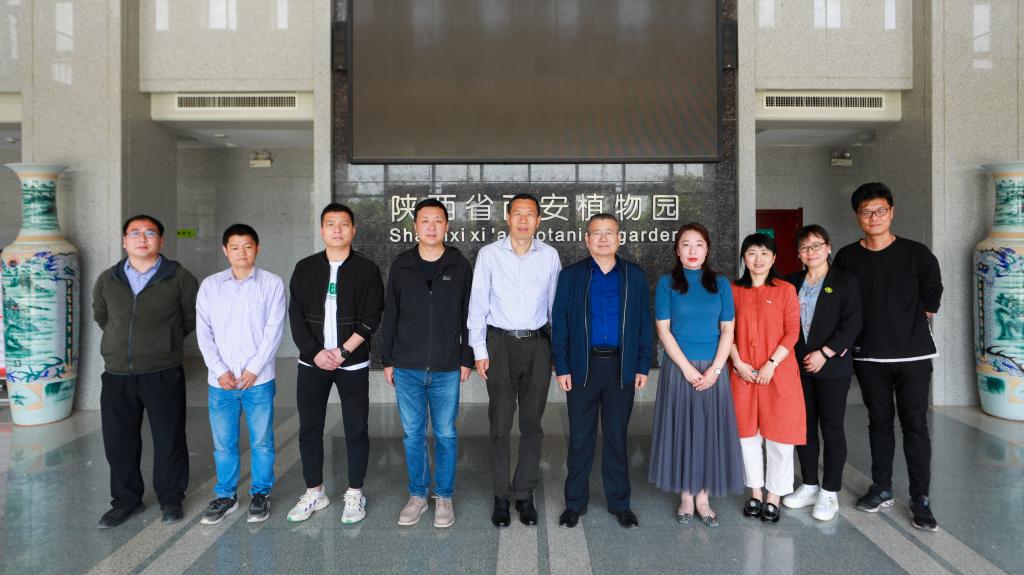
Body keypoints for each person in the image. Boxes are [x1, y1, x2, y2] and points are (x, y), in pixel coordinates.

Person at [833, 182, 943, 532]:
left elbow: (932, 299)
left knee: (915, 425)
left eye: (880, 210)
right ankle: (881, 487)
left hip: (913, 356)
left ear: (892, 212)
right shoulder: (847, 258)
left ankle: (920, 498)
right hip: (869, 357)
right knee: (879, 423)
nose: (874, 217)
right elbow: (841, 303)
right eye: (866, 212)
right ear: (857, 216)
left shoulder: (917, 254)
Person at [92, 214, 199, 528]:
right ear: (124, 241)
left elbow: (192, 317)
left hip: (162, 371)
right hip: (116, 374)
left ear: (161, 242)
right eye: (135, 233)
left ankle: (171, 499)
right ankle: (126, 501)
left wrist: (163, 342)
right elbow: (102, 316)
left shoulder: (179, 277)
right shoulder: (108, 279)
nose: (142, 238)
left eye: (150, 233)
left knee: (169, 437)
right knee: (119, 441)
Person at [551, 213, 653, 530]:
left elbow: (644, 323)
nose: (604, 238)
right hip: (583, 367)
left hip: (621, 368)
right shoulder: (571, 276)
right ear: (587, 239)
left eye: (610, 232)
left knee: (616, 438)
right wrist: (562, 366)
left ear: (619, 238)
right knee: (580, 439)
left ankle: (620, 503)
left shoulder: (634, 275)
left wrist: (642, 364)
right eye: (597, 233)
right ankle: (574, 504)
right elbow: (560, 322)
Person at [287, 203, 385, 524]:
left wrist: (343, 351)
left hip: (352, 363)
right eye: (331, 224)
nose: (337, 229)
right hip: (312, 363)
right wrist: (315, 352)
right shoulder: (305, 268)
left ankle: (355, 492)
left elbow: (372, 316)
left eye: (344, 224)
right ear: (321, 230)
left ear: (353, 230)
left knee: (356, 428)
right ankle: (314, 491)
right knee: (310, 428)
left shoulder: (367, 269)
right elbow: (296, 315)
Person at [467, 193, 561, 528]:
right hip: (500, 345)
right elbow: (478, 305)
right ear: (507, 218)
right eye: (517, 213)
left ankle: (524, 493)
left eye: (530, 214)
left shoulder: (549, 256)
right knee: (500, 425)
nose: (523, 220)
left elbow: (555, 307)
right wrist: (480, 350)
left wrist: (557, 352)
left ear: (539, 220)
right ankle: (500, 495)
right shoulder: (489, 254)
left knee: (533, 425)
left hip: (537, 345)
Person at [380, 198, 473, 529]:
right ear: (415, 226)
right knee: (413, 434)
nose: (431, 227)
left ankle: (444, 496)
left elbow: (469, 315)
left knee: (446, 433)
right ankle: (418, 495)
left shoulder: (459, 265)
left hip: (447, 366)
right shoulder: (402, 264)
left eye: (437, 221)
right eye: (425, 221)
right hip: (407, 366)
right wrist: (387, 359)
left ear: (447, 226)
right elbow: (391, 313)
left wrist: (466, 357)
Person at [648, 223, 744, 528]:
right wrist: (688, 369)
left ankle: (703, 498)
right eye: (686, 244)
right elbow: (663, 330)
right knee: (681, 429)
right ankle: (686, 497)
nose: (692, 250)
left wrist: (715, 369)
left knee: (708, 431)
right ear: (677, 250)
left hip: (714, 370)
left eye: (699, 244)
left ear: (707, 249)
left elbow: (727, 329)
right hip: (679, 369)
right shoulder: (667, 283)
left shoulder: (720, 283)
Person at [195, 224, 286, 525]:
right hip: (220, 382)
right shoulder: (210, 286)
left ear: (257, 248)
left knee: (262, 441)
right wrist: (219, 369)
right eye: (235, 247)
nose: (241, 252)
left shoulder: (272, 284)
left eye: (247, 246)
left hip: (258, 380)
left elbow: (274, 331)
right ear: (225, 250)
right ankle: (226, 496)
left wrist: (253, 369)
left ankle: (261, 493)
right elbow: (203, 332)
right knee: (223, 443)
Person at [782, 225, 862, 522]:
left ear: (828, 247)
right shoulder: (791, 282)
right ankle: (809, 484)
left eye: (816, 245)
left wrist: (825, 353)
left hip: (832, 366)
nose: (811, 252)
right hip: (798, 367)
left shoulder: (845, 281)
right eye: (804, 247)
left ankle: (829, 492)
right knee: (803, 427)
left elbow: (853, 322)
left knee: (831, 428)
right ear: (798, 254)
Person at [729, 233, 804, 524]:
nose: (758, 259)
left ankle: (774, 495)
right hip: (743, 372)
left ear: (774, 258)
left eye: (764, 253)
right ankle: (756, 491)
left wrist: (772, 364)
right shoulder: (733, 290)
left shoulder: (785, 290)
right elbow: (725, 330)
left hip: (779, 372)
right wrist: (738, 362)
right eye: (751, 253)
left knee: (780, 436)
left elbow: (792, 331)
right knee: (747, 435)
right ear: (744, 258)